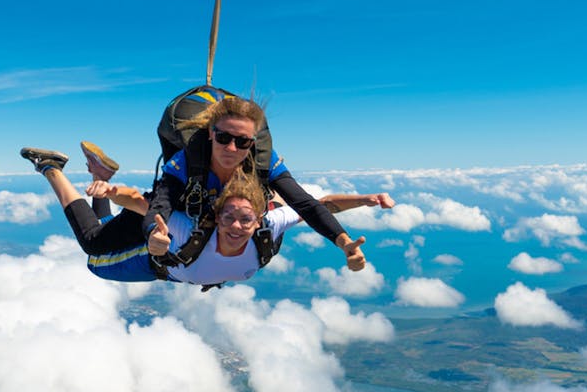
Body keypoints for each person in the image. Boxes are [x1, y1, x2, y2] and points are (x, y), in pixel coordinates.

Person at [21, 145, 394, 286]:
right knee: (93, 253)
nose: (236, 226)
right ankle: (52, 169)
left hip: (162, 230)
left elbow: (321, 205)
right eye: (228, 217)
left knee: (104, 235)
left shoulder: (271, 221)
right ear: (216, 215)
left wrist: (365, 200)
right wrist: (112, 193)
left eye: (245, 220)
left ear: (259, 216)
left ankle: (99, 175)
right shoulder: (186, 229)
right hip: (159, 240)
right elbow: (140, 202)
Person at [143, 94, 370, 272]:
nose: (231, 148)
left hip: (231, 227)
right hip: (182, 225)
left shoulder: (263, 161)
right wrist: (154, 232)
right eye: (223, 138)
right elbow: (161, 203)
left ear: (252, 142)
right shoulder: (187, 160)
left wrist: (343, 242)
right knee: (106, 256)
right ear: (211, 133)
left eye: (242, 142)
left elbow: (305, 204)